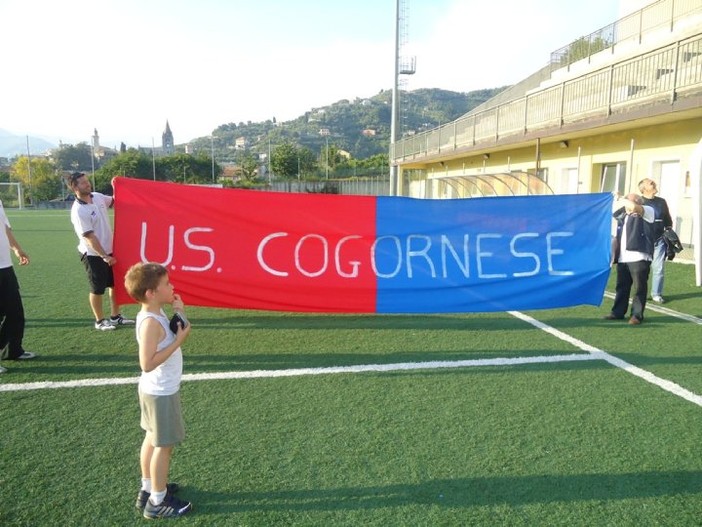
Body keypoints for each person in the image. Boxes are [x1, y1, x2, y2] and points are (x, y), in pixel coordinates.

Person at [124, 262, 192, 519]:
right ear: (151, 293)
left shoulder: (154, 313)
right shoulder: (150, 322)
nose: (171, 286)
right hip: (160, 391)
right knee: (164, 445)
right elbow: (147, 363)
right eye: (166, 284)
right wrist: (178, 342)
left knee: (152, 439)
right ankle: (157, 501)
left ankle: (149, 487)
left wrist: (179, 311)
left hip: (155, 390)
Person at [68, 172, 134, 330]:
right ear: (75, 187)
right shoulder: (78, 210)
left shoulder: (97, 196)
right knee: (97, 288)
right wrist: (104, 255)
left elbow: (117, 202)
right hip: (93, 254)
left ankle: (115, 316)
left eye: (87, 181)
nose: (87, 184)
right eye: (83, 183)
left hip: (110, 250)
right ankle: (99, 321)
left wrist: (118, 187)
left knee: (115, 285)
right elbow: (89, 237)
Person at [604, 193, 655, 325]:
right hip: (623, 257)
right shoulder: (623, 216)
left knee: (639, 287)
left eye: (628, 199)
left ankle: (637, 315)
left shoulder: (647, 211)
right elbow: (617, 237)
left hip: (639, 256)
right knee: (622, 287)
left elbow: (633, 206)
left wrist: (621, 198)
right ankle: (618, 312)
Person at [0, 199, 37, 373]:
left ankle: (12, 350)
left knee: (15, 311)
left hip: (5, 266)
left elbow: (5, 227)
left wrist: (16, 248)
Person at [638, 178, 673, 303]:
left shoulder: (661, 202)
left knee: (659, 268)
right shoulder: (639, 201)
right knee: (641, 269)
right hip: (643, 240)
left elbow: (667, 218)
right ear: (644, 189)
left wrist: (669, 229)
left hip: (659, 240)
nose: (653, 183)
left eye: (653, 182)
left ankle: (656, 294)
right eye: (650, 182)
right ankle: (640, 293)